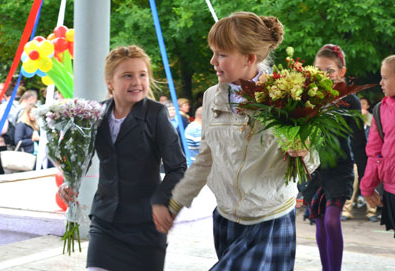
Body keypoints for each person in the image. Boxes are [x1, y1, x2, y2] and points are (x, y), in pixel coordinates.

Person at [153, 12, 320, 271]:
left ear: (249, 58)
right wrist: (175, 203)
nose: (213, 61)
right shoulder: (211, 97)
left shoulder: (287, 97)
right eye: (213, 52)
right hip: (227, 218)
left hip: (269, 218)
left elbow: (312, 159)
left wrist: (304, 151)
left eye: (221, 54)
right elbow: (205, 159)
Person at [58, 45, 186, 271]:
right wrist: (69, 182)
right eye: (128, 75)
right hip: (105, 223)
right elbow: (81, 160)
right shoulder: (95, 113)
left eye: (142, 75)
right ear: (110, 83)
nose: (137, 82)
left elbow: (179, 167)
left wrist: (160, 202)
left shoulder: (156, 114)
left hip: (146, 226)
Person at [302, 44, 368, 271]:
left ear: (341, 71)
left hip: (340, 170)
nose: (323, 75)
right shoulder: (306, 97)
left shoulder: (351, 101)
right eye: (317, 70)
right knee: (320, 224)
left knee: (331, 221)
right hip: (314, 171)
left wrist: (368, 178)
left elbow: (360, 142)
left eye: (328, 70)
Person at [360, 55, 395, 238]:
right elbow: (374, 154)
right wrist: (367, 188)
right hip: (391, 191)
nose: (381, 82)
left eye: (385, 78)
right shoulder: (380, 110)